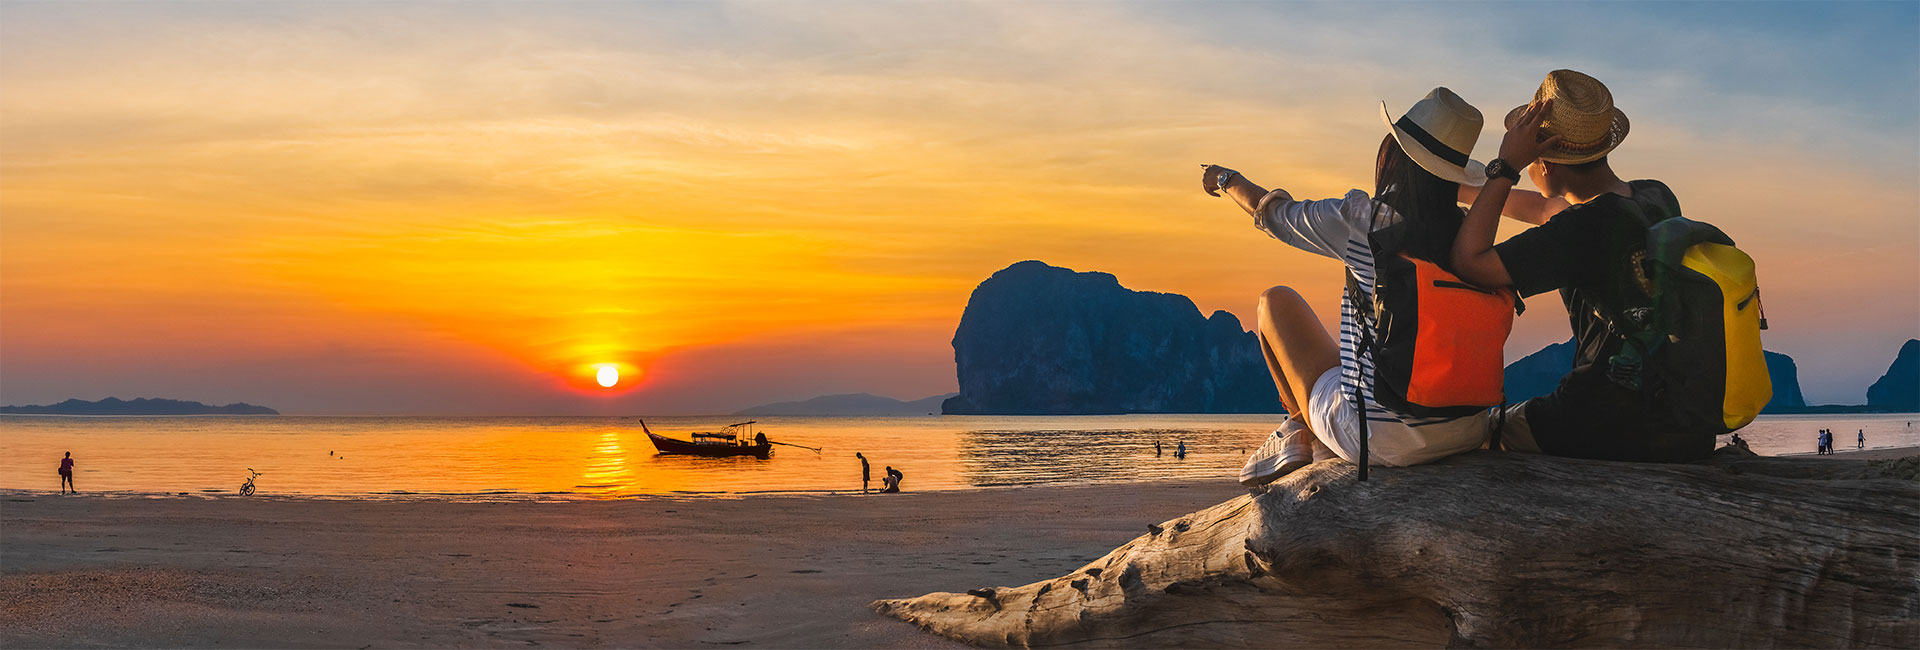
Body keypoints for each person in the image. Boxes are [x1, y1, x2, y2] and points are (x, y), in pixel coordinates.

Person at [1212, 87, 1553, 486]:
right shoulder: (1471, 237)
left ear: (1392, 154)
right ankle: (1308, 435)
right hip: (1467, 431)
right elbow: (1539, 210)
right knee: (1350, 361)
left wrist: (1225, 178)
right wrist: (1499, 171)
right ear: (1453, 174)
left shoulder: (1364, 221)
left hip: (1380, 439)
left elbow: (1273, 215)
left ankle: (1297, 429)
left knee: (1274, 302)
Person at [1452, 70, 1717, 463]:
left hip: (1599, 423)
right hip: (1684, 424)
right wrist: (1456, 189)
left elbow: (1470, 262)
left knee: (1478, 434)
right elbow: (1546, 209)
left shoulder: (1580, 229)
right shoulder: (1654, 195)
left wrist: (1505, 167)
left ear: (1546, 163)